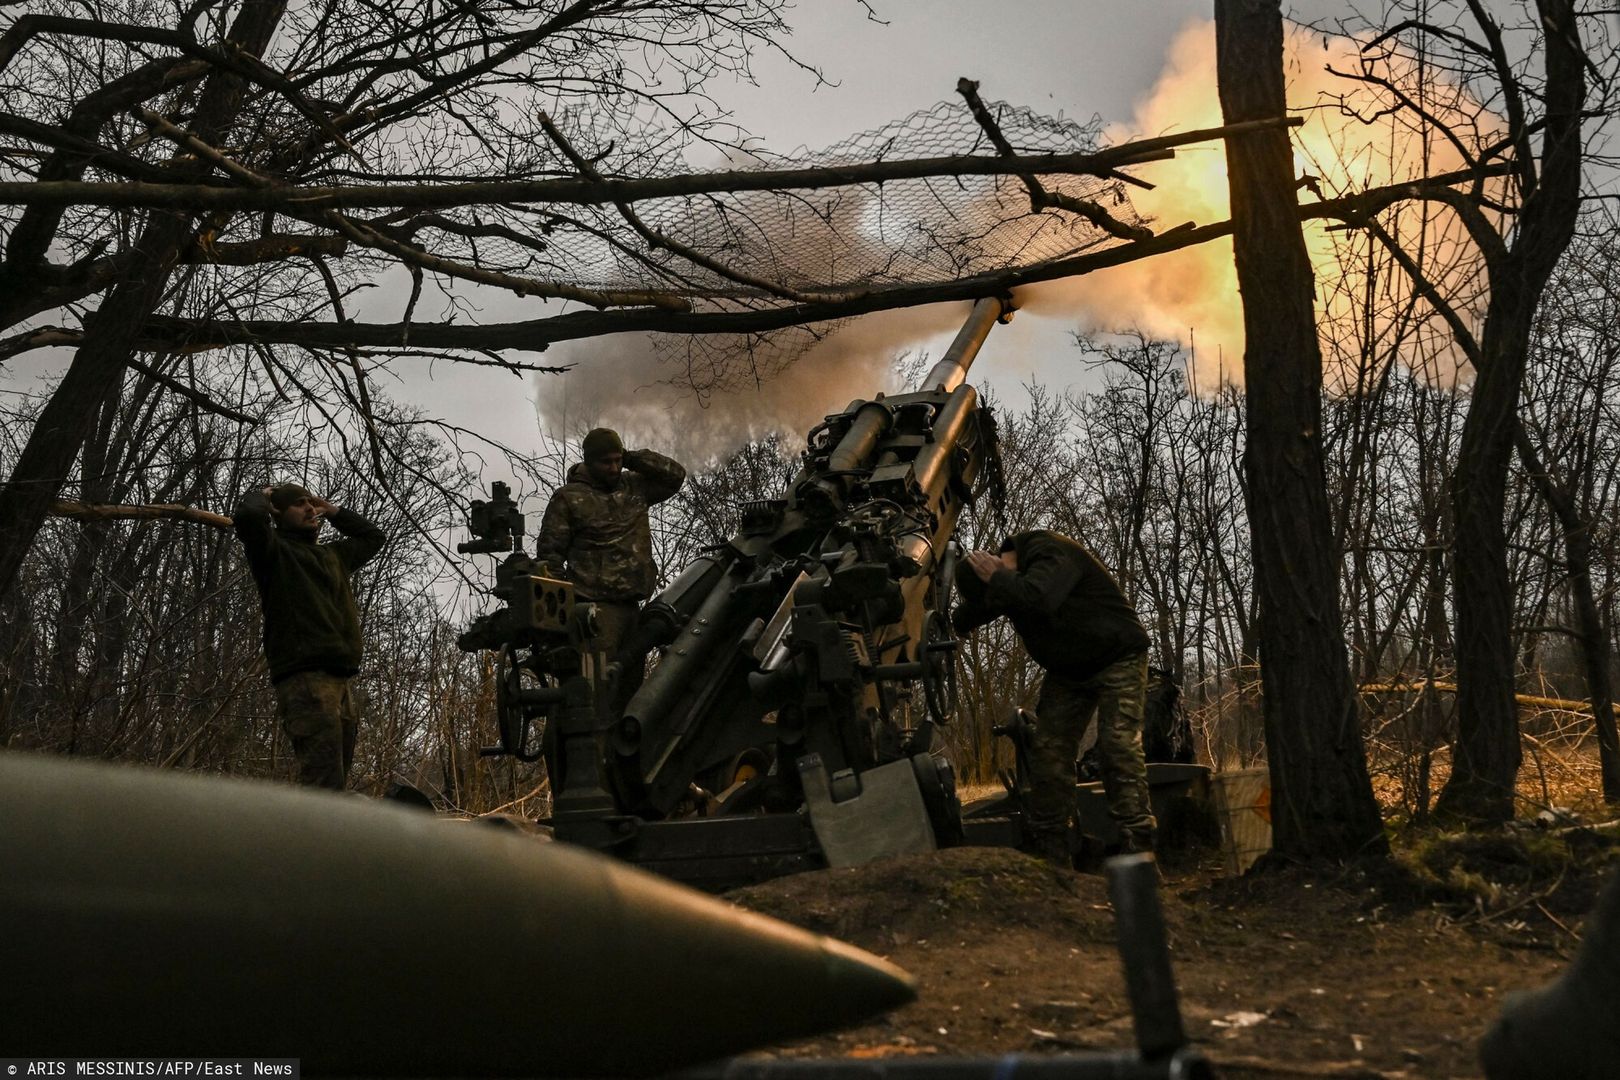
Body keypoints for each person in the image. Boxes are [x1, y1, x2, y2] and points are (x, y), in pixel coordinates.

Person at [951, 530, 1156, 863]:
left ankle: (1140, 847)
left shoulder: (1047, 550)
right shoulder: (1009, 581)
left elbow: (1039, 598)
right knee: (1047, 753)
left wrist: (998, 579)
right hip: (1069, 671)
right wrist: (955, 622)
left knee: (1118, 746)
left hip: (1117, 654)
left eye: (998, 590)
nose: (998, 604)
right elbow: (986, 607)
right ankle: (1054, 854)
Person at [234, 483, 386, 790]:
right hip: (305, 678)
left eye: (309, 502)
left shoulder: (332, 556)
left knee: (335, 782)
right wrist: (264, 497)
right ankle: (309, 838)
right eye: (298, 504)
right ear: (278, 513)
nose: (308, 508)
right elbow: (249, 518)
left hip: (338, 678)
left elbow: (374, 537)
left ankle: (328, 837)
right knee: (322, 784)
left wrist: (331, 510)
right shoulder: (273, 552)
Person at [534, 428, 685, 710]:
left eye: (618, 460)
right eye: (606, 462)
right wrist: (566, 616)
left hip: (631, 609)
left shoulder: (634, 487)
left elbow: (675, 475)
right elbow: (550, 559)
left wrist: (631, 458)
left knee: (630, 696)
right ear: (589, 462)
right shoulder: (569, 498)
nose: (614, 468)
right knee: (597, 698)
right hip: (594, 614)